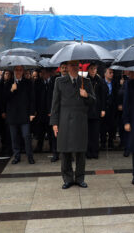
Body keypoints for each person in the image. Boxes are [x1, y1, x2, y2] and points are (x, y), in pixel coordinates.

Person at [51, 60, 96, 189]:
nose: (74, 67)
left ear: (79, 66)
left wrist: (86, 95)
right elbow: (55, 104)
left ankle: (80, 178)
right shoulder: (59, 82)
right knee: (65, 151)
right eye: (72, 65)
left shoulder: (85, 82)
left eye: (76, 65)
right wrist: (54, 123)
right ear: (67, 67)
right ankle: (68, 179)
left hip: (80, 121)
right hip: (64, 121)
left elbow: (94, 101)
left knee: (81, 152)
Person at [2, 65, 36, 164]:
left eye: (20, 70)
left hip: (24, 114)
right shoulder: (8, 83)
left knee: (26, 136)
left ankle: (30, 156)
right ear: (14, 71)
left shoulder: (28, 83)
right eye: (16, 70)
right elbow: (4, 99)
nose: (18, 72)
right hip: (12, 115)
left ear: (23, 71)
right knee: (14, 137)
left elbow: (32, 99)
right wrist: (11, 90)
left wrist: (32, 113)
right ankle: (16, 156)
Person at [85, 64, 105, 159]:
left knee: (96, 133)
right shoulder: (84, 80)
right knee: (88, 133)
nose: (93, 70)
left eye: (94, 69)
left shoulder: (100, 81)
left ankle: (95, 151)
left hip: (97, 109)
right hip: (87, 110)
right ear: (88, 70)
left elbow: (103, 96)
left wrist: (103, 109)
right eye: (91, 69)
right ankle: (88, 151)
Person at [33, 67, 54, 154]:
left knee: (51, 131)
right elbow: (35, 97)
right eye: (41, 72)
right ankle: (39, 147)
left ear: (48, 73)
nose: (42, 74)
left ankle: (52, 147)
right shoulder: (38, 82)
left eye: (44, 72)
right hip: (40, 111)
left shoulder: (54, 82)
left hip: (50, 111)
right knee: (40, 131)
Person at [100, 67, 119, 150]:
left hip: (112, 107)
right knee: (103, 126)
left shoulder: (115, 83)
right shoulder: (101, 82)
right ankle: (103, 143)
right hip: (104, 107)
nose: (112, 74)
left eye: (112, 73)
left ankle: (111, 142)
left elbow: (117, 95)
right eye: (110, 72)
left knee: (112, 125)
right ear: (105, 74)